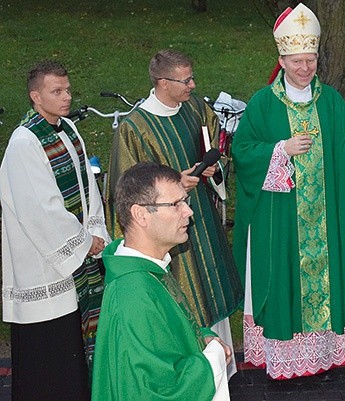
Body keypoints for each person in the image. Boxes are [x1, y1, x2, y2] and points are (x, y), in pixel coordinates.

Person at [231, 2, 345, 380]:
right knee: (284, 277)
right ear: (282, 58)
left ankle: (322, 353)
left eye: (310, 60)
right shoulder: (262, 103)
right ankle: (285, 357)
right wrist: (280, 150)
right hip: (280, 217)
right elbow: (241, 154)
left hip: (325, 220)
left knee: (326, 278)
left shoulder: (333, 101)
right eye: (296, 61)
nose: (305, 68)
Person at [106, 49, 243, 378]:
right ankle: (189, 377)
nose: (193, 85)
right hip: (163, 234)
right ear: (162, 82)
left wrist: (214, 170)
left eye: (192, 77)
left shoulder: (195, 108)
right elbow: (125, 191)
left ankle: (220, 369)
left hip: (202, 223)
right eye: (185, 80)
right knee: (186, 296)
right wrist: (173, 184)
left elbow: (216, 146)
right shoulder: (134, 129)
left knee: (211, 294)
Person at [0, 60, 110, 400]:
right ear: (36, 96)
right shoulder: (24, 143)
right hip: (45, 264)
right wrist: (81, 242)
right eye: (56, 91)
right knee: (48, 357)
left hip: (78, 257)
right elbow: (39, 209)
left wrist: (96, 231)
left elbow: (86, 187)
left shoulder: (68, 129)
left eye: (68, 90)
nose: (66, 97)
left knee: (73, 351)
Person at [92, 162, 231, 400]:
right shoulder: (135, 295)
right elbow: (156, 392)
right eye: (176, 204)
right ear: (141, 214)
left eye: (185, 201)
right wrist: (214, 356)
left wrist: (202, 337)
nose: (189, 212)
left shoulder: (149, 269)